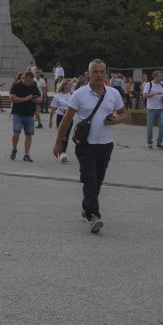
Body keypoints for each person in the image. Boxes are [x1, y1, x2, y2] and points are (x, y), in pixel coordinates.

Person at [53, 59, 126, 233]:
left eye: (102, 71)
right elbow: (66, 120)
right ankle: (94, 215)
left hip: (106, 144)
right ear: (88, 73)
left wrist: (115, 120)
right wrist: (58, 144)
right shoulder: (79, 94)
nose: (99, 75)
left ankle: (87, 207)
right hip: (86, 145)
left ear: (106, 74)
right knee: (90, 179)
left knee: (98, 180)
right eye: (95, 71)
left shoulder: (113, 93)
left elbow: (124, 114)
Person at [8, 71, 41, 162]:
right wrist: (25, 99)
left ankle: (26, 154)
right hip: (18, 113)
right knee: (16, 133)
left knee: (29, 135)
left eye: (30, 81)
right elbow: (12, 98)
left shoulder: (34, 86)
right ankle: (14, 148)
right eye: (27, 81)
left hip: (30, 114)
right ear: (23, 78)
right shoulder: (16, 85)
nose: (29, 83)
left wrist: (34, 99)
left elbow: (40, 99)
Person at [48, 78, 74, 163]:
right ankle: (60, 151)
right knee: (61, 135)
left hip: (69, 118)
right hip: (60, 117)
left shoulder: (72, 95)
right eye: (69, 84)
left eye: (71, 85)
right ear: (64, 86)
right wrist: (50, 120)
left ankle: (63, 152)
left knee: (66, 136)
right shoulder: (57, 96)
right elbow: (53, 109)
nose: (71, 86)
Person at [144, 70, 163, 149]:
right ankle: (149, 143)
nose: (162, 77)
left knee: (162, 125)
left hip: (160, 109)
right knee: (150, 126)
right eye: (160, 76)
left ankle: (159, 142)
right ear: (155, 76)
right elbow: (144, 95)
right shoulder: (149, 84)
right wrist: (154, 93)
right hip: (151, 109)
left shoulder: (162, 84)